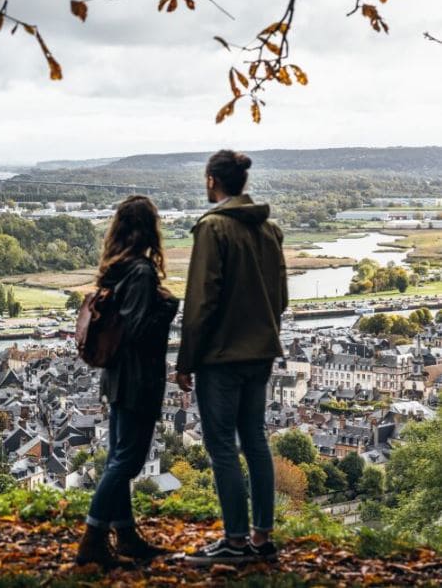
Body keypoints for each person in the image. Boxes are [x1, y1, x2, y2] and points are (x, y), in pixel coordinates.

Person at [176, 150, 288, 566]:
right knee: (255, 439)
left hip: (221, 357)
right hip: (260, 353)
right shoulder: (269, 229)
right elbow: (282, 298)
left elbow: (201, 301)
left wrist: (186, 360)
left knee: (222, 445)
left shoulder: (214, 229)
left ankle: (235, 541)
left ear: (211, 181)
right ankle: (262, 538)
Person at [76, 195, 179, 569]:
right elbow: (137, 331)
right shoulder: (141, 272)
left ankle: (127, 534)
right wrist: (167, 309)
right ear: (149, 230)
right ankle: (93, 538)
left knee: (117, 458)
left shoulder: (115, 270)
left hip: (117, 376)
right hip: (138, 378)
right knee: (127, 461)